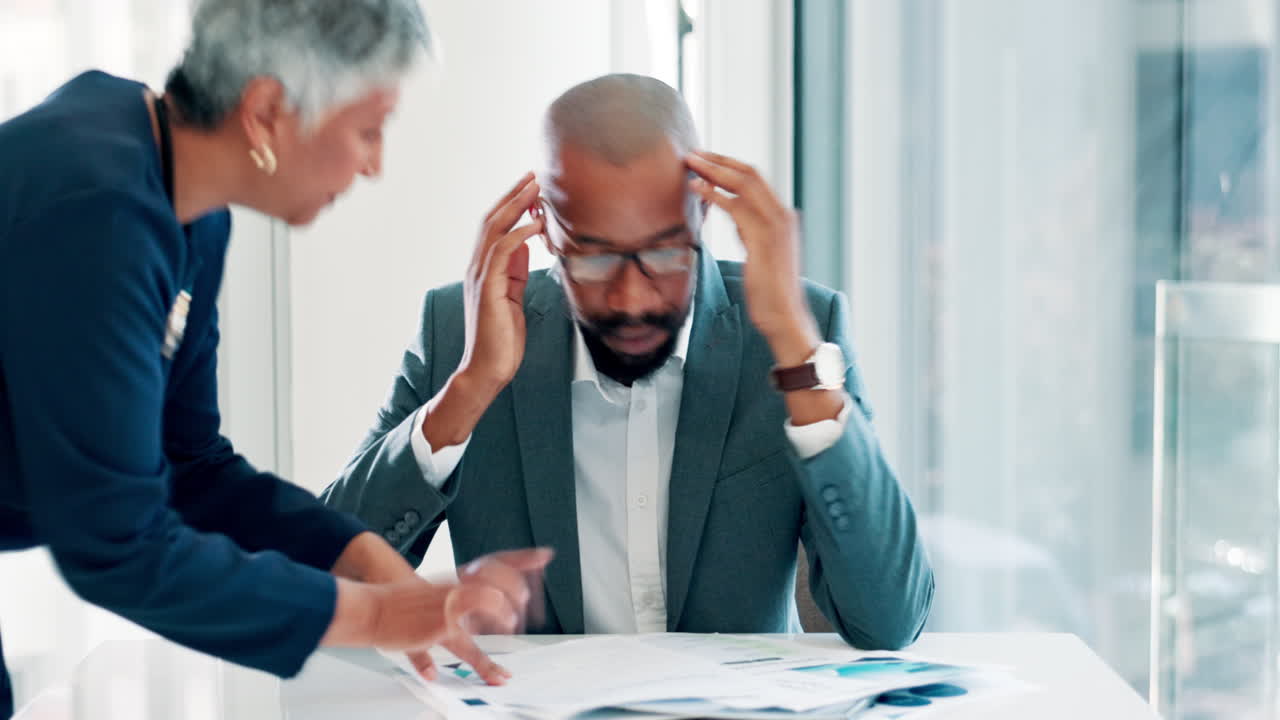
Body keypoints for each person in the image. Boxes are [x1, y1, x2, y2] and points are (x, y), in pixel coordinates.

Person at [0, 1, 548, 716]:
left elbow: (189, 467)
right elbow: (118, 546)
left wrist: (358, 556)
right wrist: (374, 617)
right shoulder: (98, 210)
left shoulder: (188, 204)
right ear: (264, 112)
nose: (375, 165)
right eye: (368, 130)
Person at [321, 74, 933, 646]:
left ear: (704, 215)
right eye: (593, 260)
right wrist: (469, 389)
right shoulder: (460, 333)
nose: (632, 299)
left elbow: (890, 621)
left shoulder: (797, 331)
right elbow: (325, 584)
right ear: (543, 228)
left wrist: (799, 357)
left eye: (667, 255)